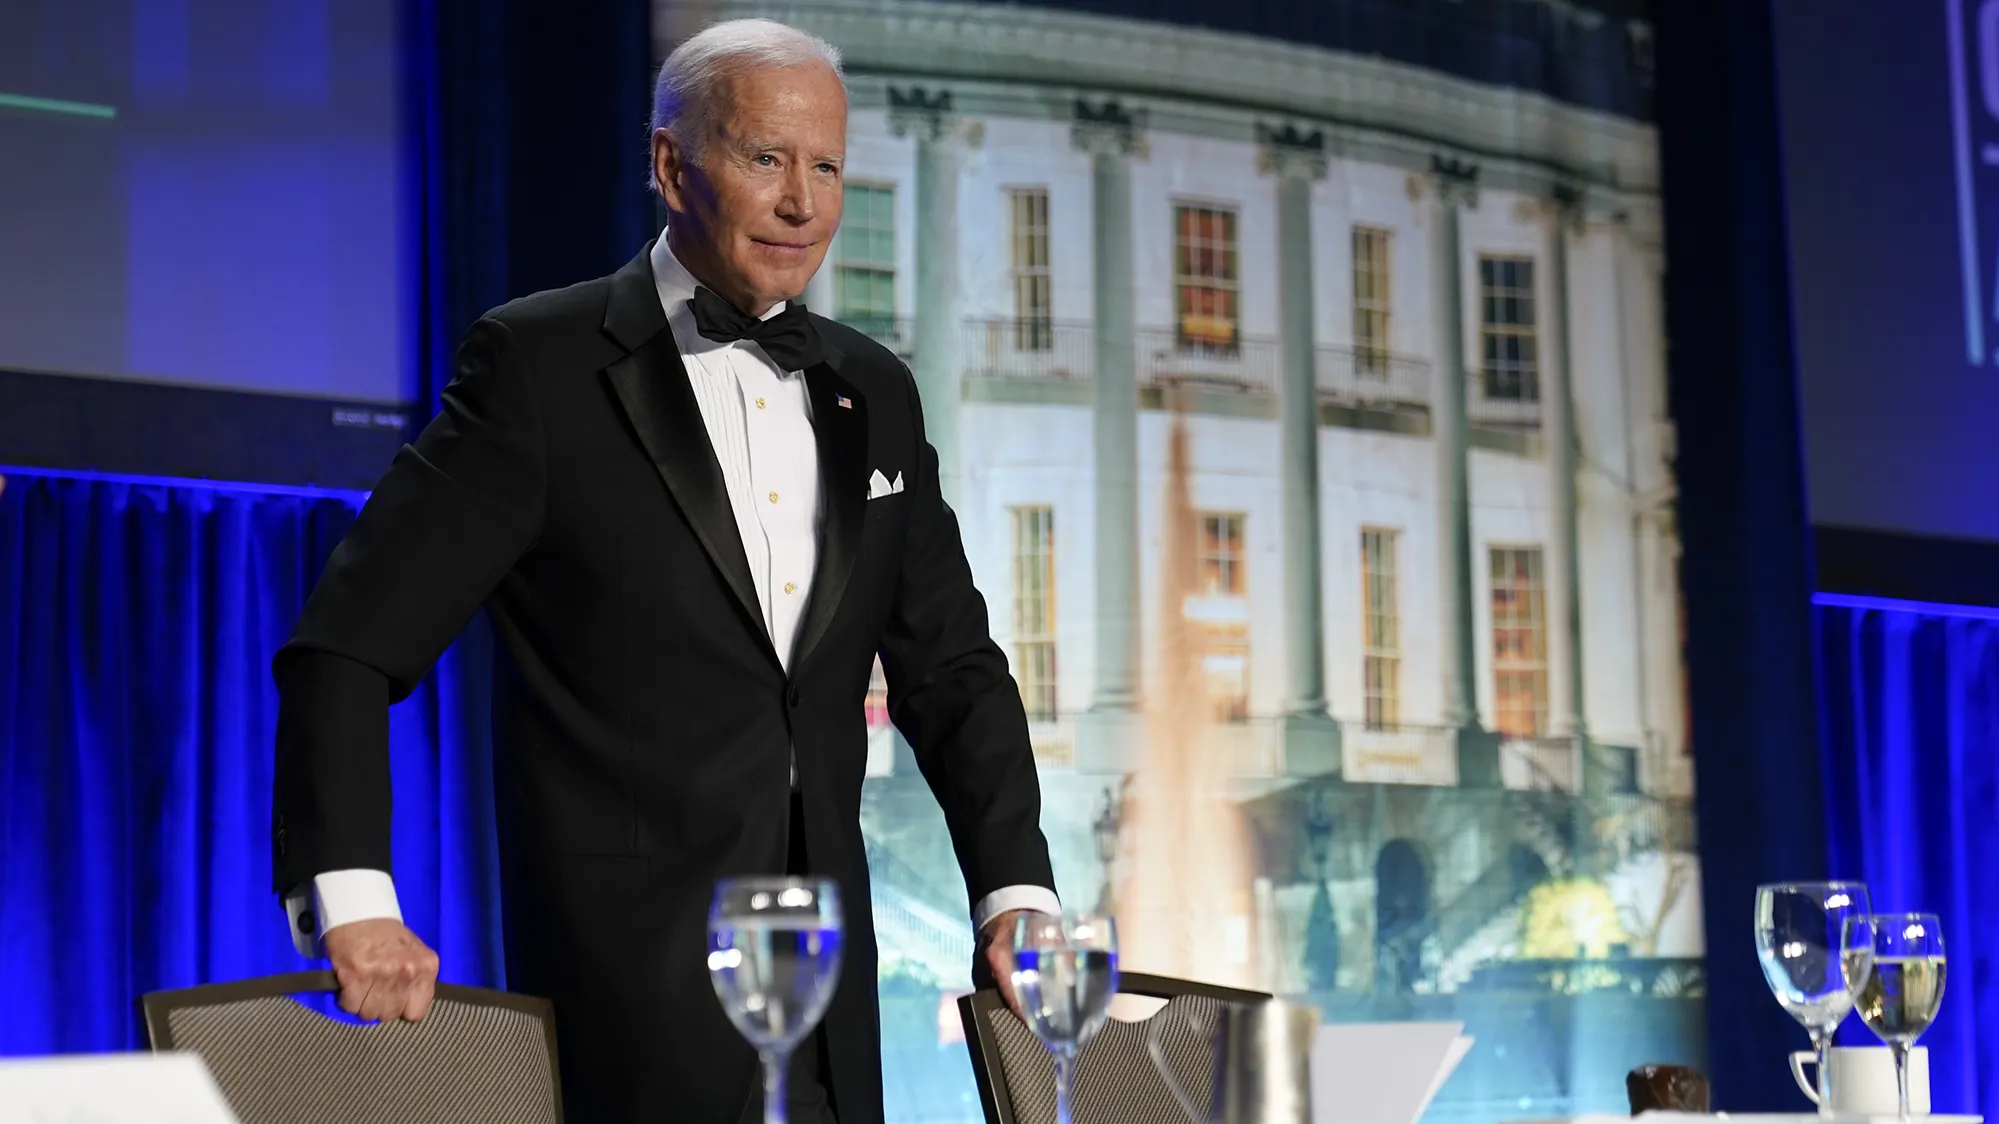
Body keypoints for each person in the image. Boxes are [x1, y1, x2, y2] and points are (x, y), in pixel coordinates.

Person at [269, 18, 1058, 1124]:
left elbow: (954, 670)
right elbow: (346, 643)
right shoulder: (540, 367)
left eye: (827, 166)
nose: (803, 203)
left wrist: (1013, 890)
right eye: (766, 158)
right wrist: (355, 896)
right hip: (626, 996)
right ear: (670, 167)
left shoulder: (876, 391)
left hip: (828, 1010)